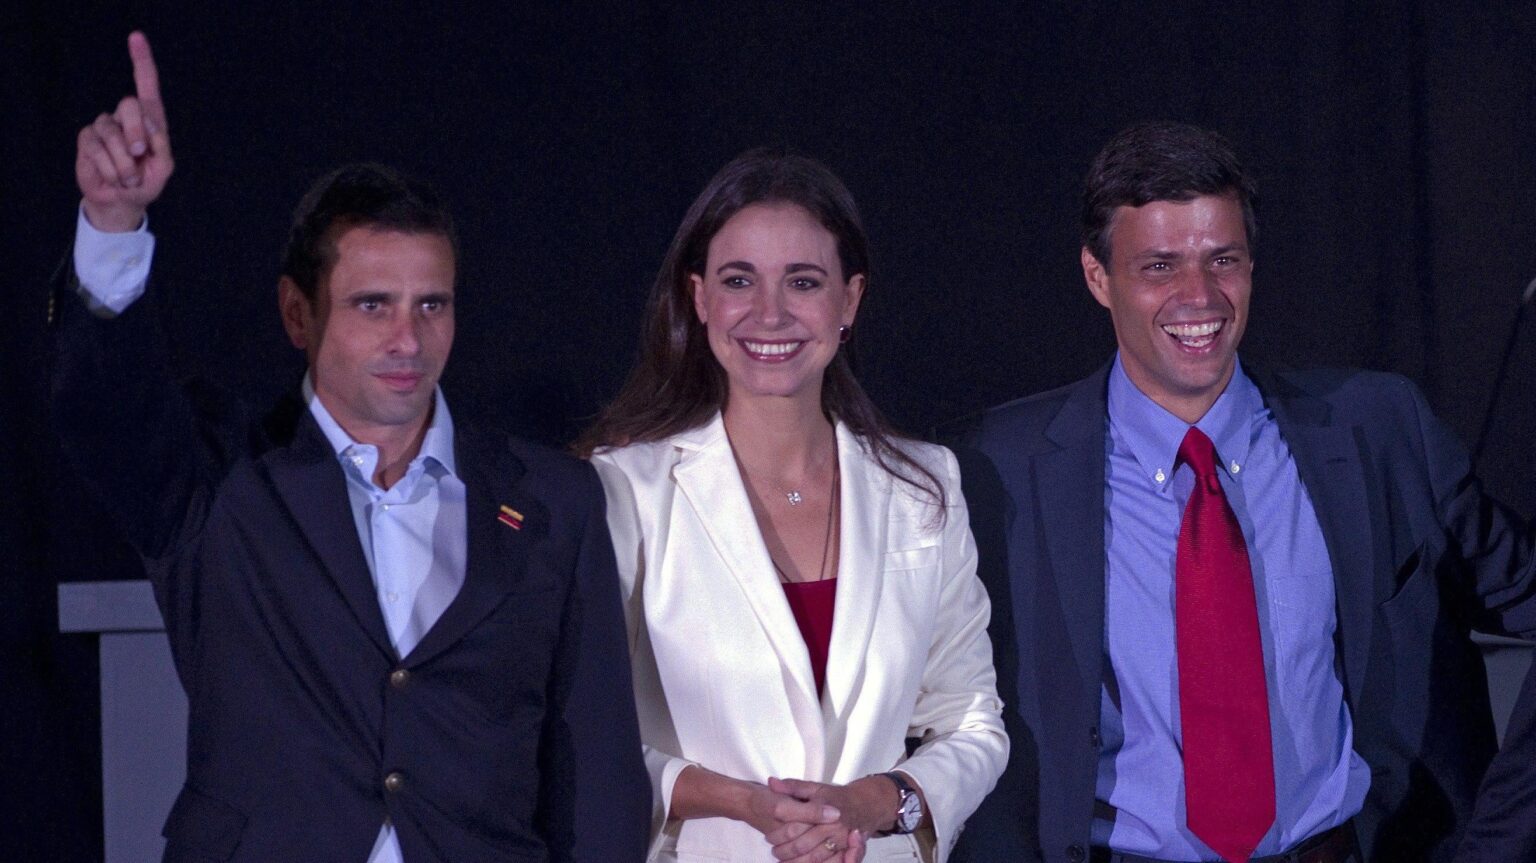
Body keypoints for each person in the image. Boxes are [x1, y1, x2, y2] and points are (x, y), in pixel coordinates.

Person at [54, 32, 648, 862]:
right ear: (299, 314)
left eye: (431, 305)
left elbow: (598, 772)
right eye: (373, 305)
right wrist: (114, 224)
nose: (408, 338)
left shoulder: (553, 500)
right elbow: (103, 406)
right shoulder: (222, 480)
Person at [953, 121, 1536, 863]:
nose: (1199, 297)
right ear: (1099, 278)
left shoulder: (1381, 432)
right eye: (1159, 266)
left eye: (1221, 259)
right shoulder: (994, 468)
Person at [575, 149, 1007, 862]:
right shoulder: (624, 490)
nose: (770, 312)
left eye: (803, 282)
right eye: (739, 280)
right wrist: (742, 802)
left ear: (850, 300)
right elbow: (585, 733)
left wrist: (875, 802)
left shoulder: (925, 487)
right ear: (700, 297)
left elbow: (972, 721)